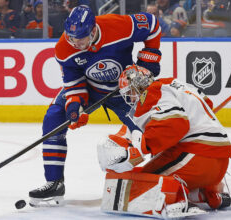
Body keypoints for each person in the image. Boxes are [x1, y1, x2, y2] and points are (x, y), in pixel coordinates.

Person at [28, 5, 162, 207]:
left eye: (80, 37)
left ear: (93, 30)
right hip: (91, 89)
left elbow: (152, 25)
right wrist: (75, 107)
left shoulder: (118, 25)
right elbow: (74, 82)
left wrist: (148, 58)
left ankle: (174, 174)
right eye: (71, 37)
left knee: (152, 131)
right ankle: (54, 183)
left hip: (125, 88)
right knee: (54, 116)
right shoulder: (64, 48)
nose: (75, 42)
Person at [96, 64, 231, 218]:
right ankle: (208, 194)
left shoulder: (152, 92)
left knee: (141, 182)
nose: (131, 98)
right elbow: (207, 103)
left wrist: (142, 147)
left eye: (130, 93)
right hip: (219, 162)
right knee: (158, 165)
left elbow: (175, 124)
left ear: (138, 87)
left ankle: (177, 201)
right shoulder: (175, 84)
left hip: (197, 158)